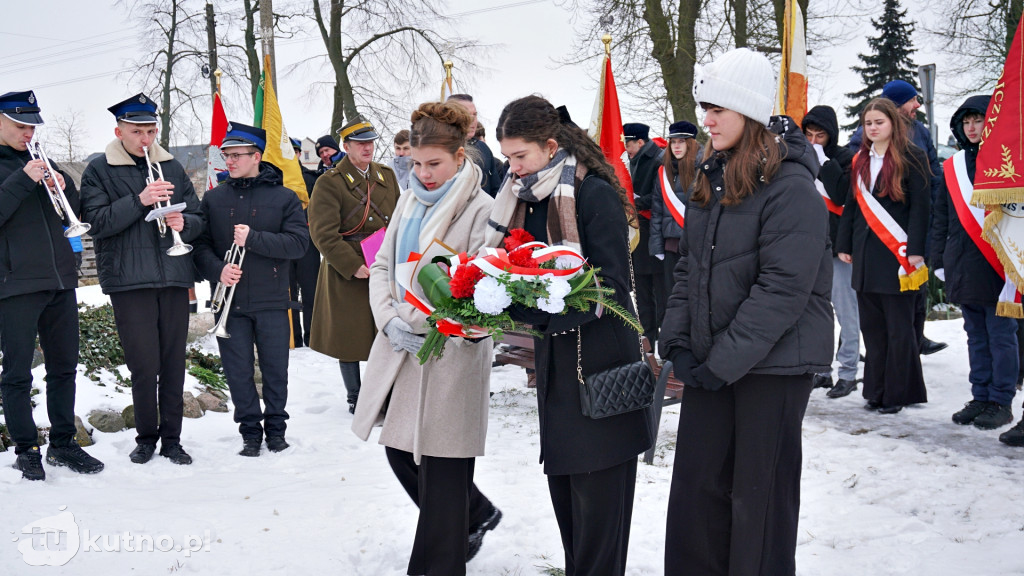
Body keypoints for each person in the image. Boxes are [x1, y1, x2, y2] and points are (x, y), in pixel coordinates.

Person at [660, 48, 832, 575]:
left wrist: (721, 363)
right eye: (705, 109)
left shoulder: (793, 187)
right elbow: (689, 269)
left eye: (718, 110)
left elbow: (783, 289)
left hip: (773, 367)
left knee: (759, 502)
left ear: (750, 113)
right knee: (697, 495)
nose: (707, 121)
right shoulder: (712, 176)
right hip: (714, 362)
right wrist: (679, 342)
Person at [486, 95, 653, 575]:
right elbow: (517, 272)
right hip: (558, 372)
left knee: (599, 518)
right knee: (570, 510)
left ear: (550, 145)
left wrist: (536, 311)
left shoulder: (592, 193)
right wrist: (492, 303)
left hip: (602, 370)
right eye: (507, 158)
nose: (513, 168)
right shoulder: (523, 200)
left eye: (520, 156)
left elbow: (610, 286)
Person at [352, 101, 501, 576]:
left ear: (460, 156)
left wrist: (416, 320)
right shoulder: (409, 200)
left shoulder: (483, 209)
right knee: (399, 449)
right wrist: (388, 319)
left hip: (450, 355)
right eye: (416, 163)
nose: (423, 174)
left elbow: (478, 288)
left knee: (444, 473)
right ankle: (474, 514)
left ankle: (440, 560)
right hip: (402, 347)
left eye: (433, 163)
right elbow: (381, 264)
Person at [79, 93, 203, 465]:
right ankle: (147, 437)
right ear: (119, 131)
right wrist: (141, 199)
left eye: (150, 131)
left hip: (173, 275)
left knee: (173, 363)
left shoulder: (172, 167)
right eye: (137, 132)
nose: (145, 139)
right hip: (129, 281)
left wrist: (185, 223)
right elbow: (96, 224)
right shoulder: (99, 170)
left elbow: (198, 217)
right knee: (144, 365)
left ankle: (173, 440)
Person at [0, 90, 104, 480]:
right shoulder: (20, 170)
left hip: (59, 281)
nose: (28, 133)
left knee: (63, 368)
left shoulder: (42, 161)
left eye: (32, 127)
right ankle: (26, 449)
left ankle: (63, 444)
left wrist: (64, 185)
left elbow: (69, 214)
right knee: (17, 373)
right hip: (15, 284)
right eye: (20, 126)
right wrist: (22, 180)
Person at [193, 122, 309, 456]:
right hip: (230, 302)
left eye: (236, 155)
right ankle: (249, 432)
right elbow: (200, 247)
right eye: (226, 155)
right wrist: (218, 269)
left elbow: (298, 244)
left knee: (275, 370)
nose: (229, 161)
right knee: (237, 372)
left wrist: (254, 239)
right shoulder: (214, 198)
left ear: (256, 156)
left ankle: (276, 430)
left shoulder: (284, 197)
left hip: (272, 299)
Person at [837, 97, 931, 414]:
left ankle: (897, 393)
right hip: (866, 256)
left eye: (879, 122)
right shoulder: (859, 160)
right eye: (868, 123)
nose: (873, 128)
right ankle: (875, 390)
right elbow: (852, 206)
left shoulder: (913, 156)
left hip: (898, 257)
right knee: (873, 329)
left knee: (899, 329)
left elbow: (921, 208)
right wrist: (844, 244)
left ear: (893, 123)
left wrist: (916, 250)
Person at [930, 95, 1018, 432]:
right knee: (975, 336)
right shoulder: (952, 166)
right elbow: (942, 216)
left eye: (977, 120)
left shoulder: (1008, 162)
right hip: (963, 263)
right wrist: (939, 258)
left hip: (999, 264)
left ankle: (1001, 401)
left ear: (991, 121)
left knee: (1001, 336)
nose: (971, 127)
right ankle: (980, 396)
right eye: (965, 122)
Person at [308, 119, 400, 414]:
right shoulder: (330, 182)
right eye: (360, 143)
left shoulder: (386, 175)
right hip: (346, 267)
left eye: (370, 142)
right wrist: (352, 265)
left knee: (384, 329)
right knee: (349, 336)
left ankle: (385, 392)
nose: (367, 148)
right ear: (346, 147)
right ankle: (356, 396)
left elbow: (398, 221)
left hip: (383, 262)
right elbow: (322, 233)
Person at [849, 79, 946, 356]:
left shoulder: (920, 132)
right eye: (912, 100)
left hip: (917, 225)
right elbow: (858, 181)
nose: (917, 105)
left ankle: (916, 337)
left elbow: (933, 171)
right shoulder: (867, 134)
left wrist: (934, 207)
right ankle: (888, 350)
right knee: (883, 298)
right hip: (881, 231)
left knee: (917, 286)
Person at [803, 105, 860, 398]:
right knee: (816, 312)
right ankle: (822, 370)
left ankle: (848, 373)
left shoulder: (845, 158)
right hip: (809, 245)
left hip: (838, 247)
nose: (813, 141)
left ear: (831, 135)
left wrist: (825, 162)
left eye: (820, 136)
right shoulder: (798, 158)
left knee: (846, 312)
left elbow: (840, 195)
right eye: (809, 135)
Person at [649, 120, 698, 325]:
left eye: (682, 141)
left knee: (694, 295)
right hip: (671, 245)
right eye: (673, 142)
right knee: (672, 294)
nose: (676, 146)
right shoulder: (663, 172)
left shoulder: (702, 170)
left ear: (691, 143)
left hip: (695, 245)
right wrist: (657, 247)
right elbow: (657, 212)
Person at [624, 122, 666, 349]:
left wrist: (634, 201)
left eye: (628, 144)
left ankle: (664, 339)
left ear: (640, 142)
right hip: (637, 232)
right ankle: (647, 338)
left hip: (654, 230)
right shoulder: (629, 160)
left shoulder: (659, 159)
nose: (626, 150)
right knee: (641, 290)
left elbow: (662, 195)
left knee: (660, 291)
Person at [288, 137, 321, 347]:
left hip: (308, 241)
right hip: (284, 243)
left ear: (299, 154)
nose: (291, 156)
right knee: (288, 291)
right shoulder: (275, 180)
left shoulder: (311, 179)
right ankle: (293, 337)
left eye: (294, 151)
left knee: (311, 291)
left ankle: (312, 336)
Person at [447, 94, 498, 196]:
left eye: (474, 114)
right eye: (465, 114)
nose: (472, 120)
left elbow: (496, 189)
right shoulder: (440, 149)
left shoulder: (483, 148)